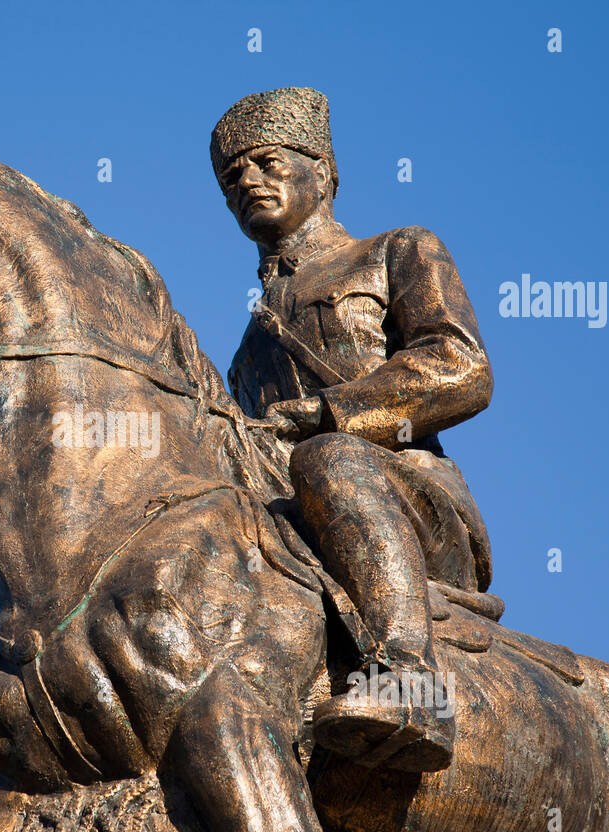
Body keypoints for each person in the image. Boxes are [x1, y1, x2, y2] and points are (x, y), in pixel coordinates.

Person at [214, 87, 496, 772]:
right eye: (231, 178)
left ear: (323, 170)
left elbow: (462, 368)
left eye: (266, 162)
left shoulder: (398, 250)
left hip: (412, 503)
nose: (247, 180)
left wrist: (331, 416)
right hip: (298, 524)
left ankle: (409, 684)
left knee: (329, 461)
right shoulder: (244, 356)